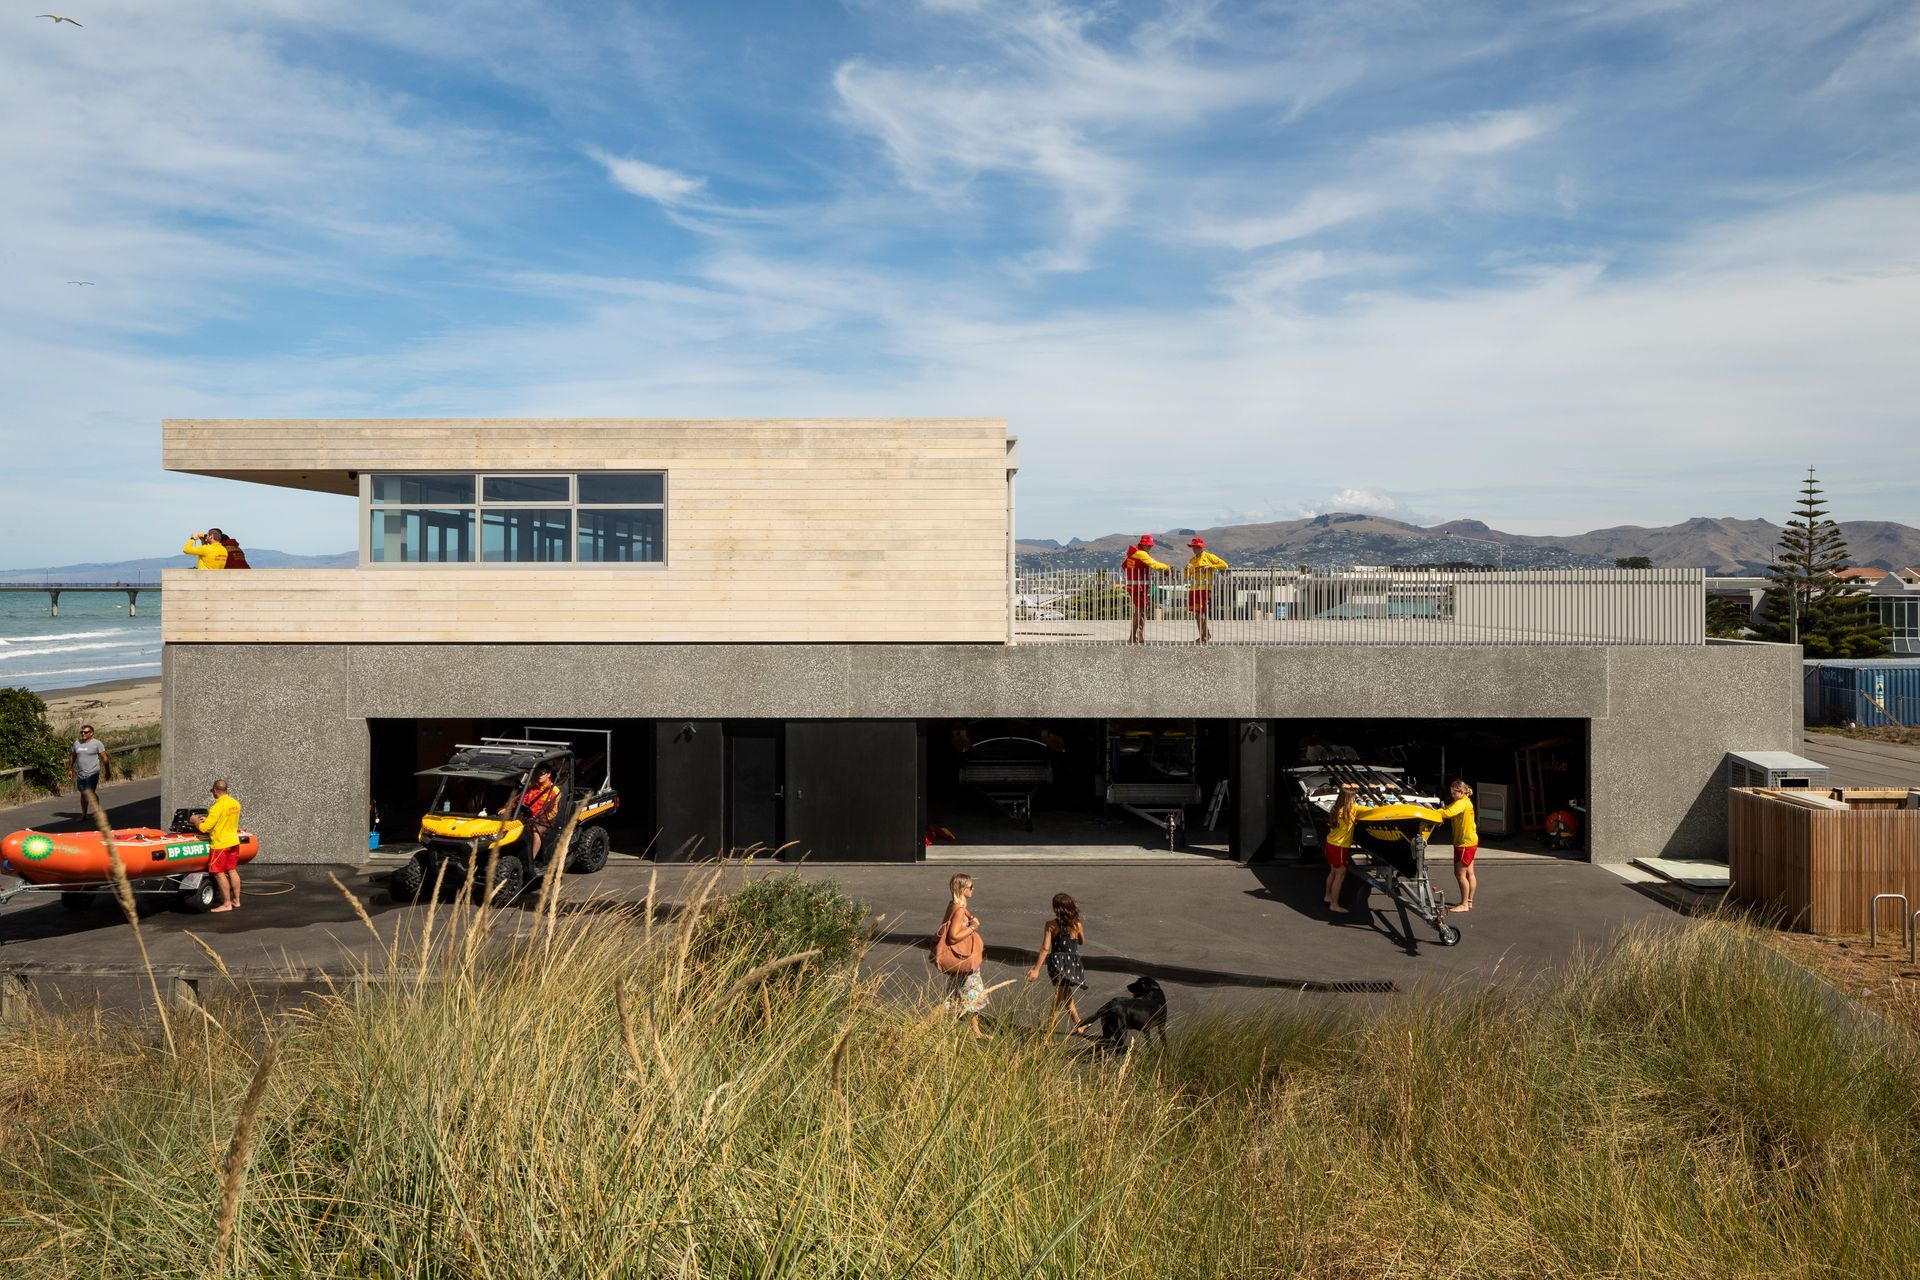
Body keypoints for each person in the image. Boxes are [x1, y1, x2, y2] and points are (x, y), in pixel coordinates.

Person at [1025, 892, 1087, 1032]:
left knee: (1059, 997)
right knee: (1065, 993)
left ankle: (1049, 1032)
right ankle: (1079, 1023)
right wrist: (1077, 931)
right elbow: (1082, 942)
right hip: (1072, 963)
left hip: (1057, 964)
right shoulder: (1077, 924)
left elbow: (1045, 948)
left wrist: (1036, 969)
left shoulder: (1051, 925)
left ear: (1056, 909)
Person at [940, 873, 990, 1038]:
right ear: (961, 889)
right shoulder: (959, 910)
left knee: (958, 996)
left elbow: (959, 914)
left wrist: (969, 918)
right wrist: (972, 927)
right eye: (970, 887)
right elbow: (953, 936)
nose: (973, 889)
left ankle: (975, 1031)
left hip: (960, 960)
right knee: (971, 995)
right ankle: (925, 1026)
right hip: (963, 960)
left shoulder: (954, 905)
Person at [196, 779, 244, 913]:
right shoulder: (235, 803)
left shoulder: (217, 807)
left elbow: (205, 828)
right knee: (232, 871)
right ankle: (237, 900)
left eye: (212, 791)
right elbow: (224, 819)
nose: (213, 793)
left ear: (216, 791)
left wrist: (195, 821)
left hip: (220, 844)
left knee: (218, 873)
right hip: (233, 842)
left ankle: (227, 903)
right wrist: (211, 819)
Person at [1437, 778, 1478, 913]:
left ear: (1460, 792)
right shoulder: (1465, 802)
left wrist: (1434, 813)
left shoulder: (1461, 803)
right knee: (1470, 873)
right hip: (1471, 841)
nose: (1452, 796)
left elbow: (1448, 813)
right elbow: (1448, 808)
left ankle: (1464, 904)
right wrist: (1439, 810)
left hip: (1464, 843)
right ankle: (1469, 901)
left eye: (1454, 793)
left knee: (1460, 875)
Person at [1121, 535, 1171, 644]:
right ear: (1143, 544)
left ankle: (1139, 635)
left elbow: (1124, 566)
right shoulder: (1140, 553)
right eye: (1148, 546)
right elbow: (1153, 564)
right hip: (1139, 586)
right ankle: (1132, 637)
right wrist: (1167, 568)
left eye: (1150, 546)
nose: (1150, 548)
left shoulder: (1132, 554)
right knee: (1139, 611)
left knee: (1142, 610)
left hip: (1136, 585)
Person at [1183, 537, 1230, 644]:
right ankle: (1205, 635)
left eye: (1196, 547)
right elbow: (1187, 576)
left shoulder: (1209, 557)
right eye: (1193, 547)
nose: (1194, 549)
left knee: (1201, 613)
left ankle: (1204, 636)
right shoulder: (1192, 560)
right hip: (1193, 590)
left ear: (1201, 547)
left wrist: (1211, 566)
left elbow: (1224, 565)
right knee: (1196, 614)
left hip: (1204, 589)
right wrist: (1187, 569)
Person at [1322, 782, 1359, 913]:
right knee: (1340, 875)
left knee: (1333, 871)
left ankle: (1327, 896)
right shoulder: (1351, 811)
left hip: (1330, 844)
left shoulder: (1335, 808)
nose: (1356, 798)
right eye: (1354, 796)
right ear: (1349, 799)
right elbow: (1368, 811)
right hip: (1340, 847)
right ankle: (1334, 904)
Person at [518, 766, 562, 863]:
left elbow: (553, 811)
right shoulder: (532, 788)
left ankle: (531, 860)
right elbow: (520, 801)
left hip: (544, 821)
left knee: (535, 831)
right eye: (538, 774)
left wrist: (540, 819)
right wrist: (506, 808)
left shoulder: (554, 790)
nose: (540, 776)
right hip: (527, 817)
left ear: (548, 774)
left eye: (542, 774)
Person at [69, 724, 110, 805]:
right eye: (81, 732)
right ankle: (84, 815)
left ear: (91, 733)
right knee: (83, 793)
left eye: (85, 732)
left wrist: (107, 771)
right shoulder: (77, 743)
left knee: (89, 792)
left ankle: (97, 810)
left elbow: (104, 757)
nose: (83, 734)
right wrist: (70, 769)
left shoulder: (97, 743)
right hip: (80, 774)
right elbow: (73, 756)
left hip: (92, 773)